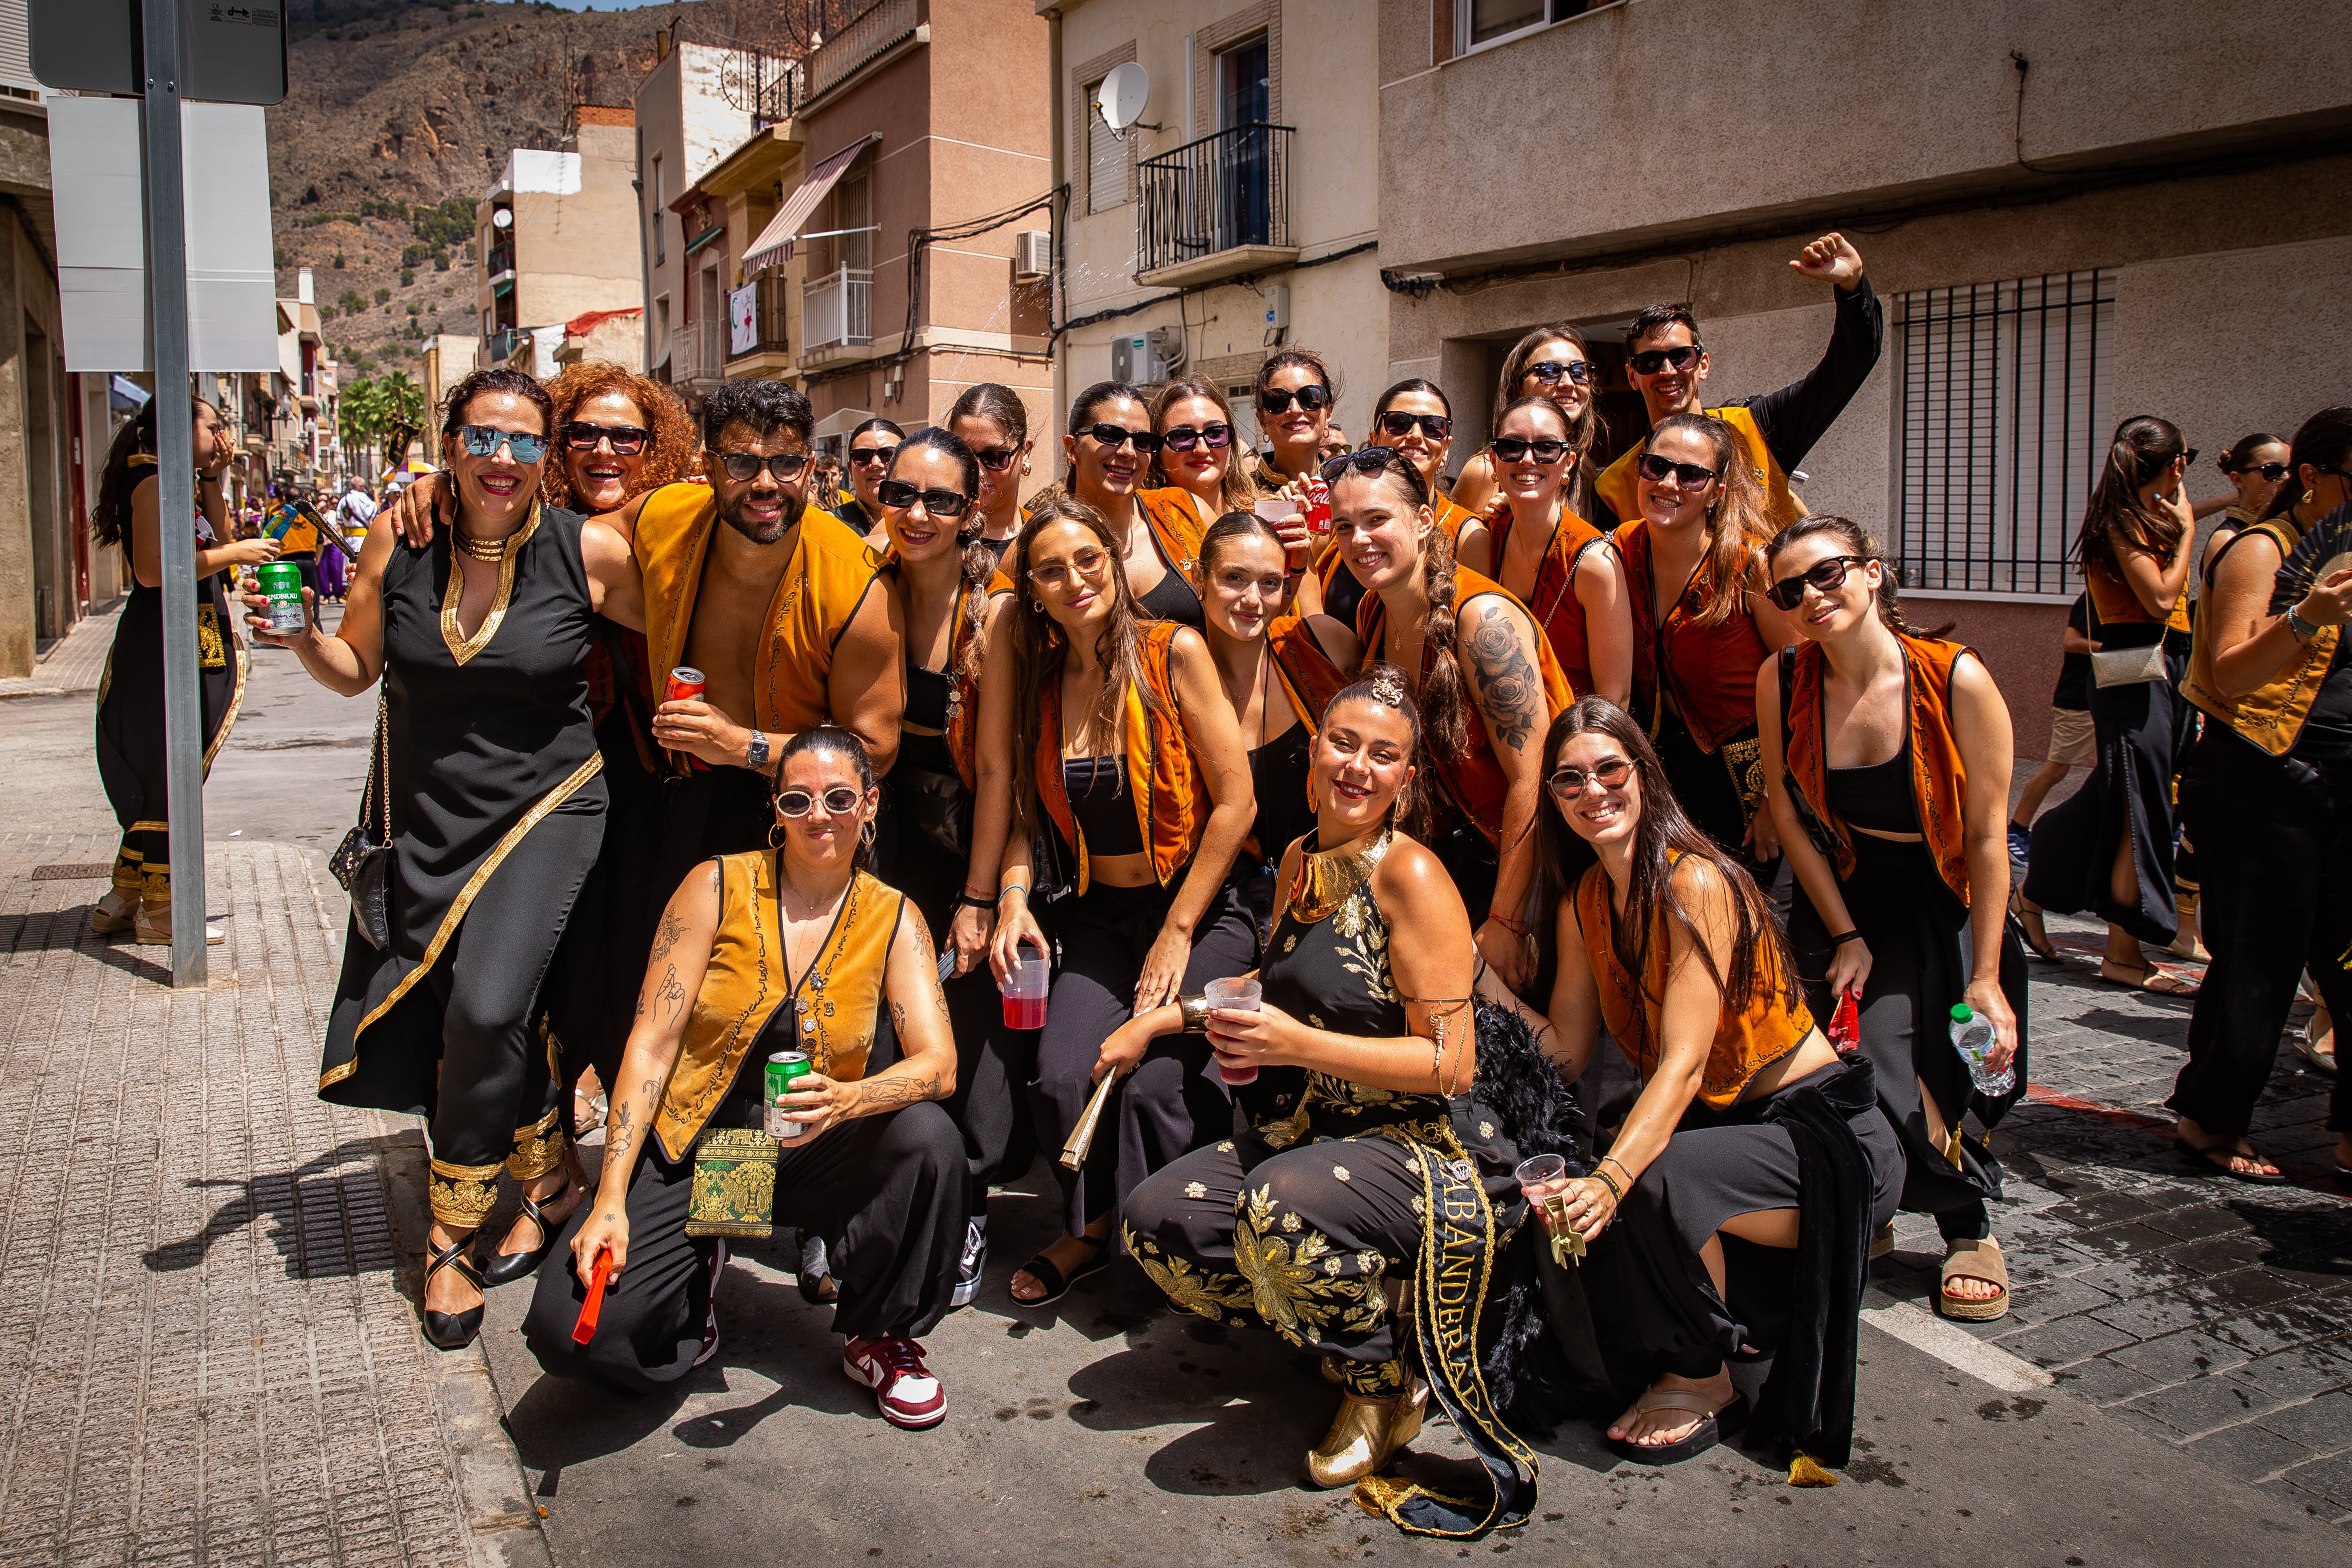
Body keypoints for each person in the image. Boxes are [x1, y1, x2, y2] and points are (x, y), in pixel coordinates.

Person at [251, 367, 647, 1350]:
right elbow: (355, 673)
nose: (502, 458)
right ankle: (550, 1177)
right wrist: (301, 637)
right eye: (483, 437)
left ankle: (451, 1226)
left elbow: (696, 627)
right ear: (451, 441)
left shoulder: (590, 550)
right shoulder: (401, 535)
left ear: (544, 454)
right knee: (465, 1006)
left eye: (523, 441)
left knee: (485, 1003)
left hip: (550, 809)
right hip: (427, 815)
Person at [1123, 671, 1561, 1533]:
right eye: (1343, 742)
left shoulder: (1413, 876)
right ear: (1313, 749)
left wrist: (1295, 1045)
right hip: (1323, 1132)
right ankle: (1363, 1313)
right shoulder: (1297, 858)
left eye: (1383, 754)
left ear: (1407, 777)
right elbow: (1275, 981)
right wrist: (1164, 1021)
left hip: (1431, 1148)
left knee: (1277, 1208)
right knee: (1157, 1219)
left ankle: (1382, 1386)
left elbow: (1451, 1062)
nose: (1357, 765)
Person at [522, 728, 967, 1425]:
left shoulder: (894, 916)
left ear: (871, 804)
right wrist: (610, 1193)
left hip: (808, 1153)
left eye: (840, 797)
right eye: (798, 799)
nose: (819, 815)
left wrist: (852, 1098)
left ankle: (879, 1333)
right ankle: (695, 1274)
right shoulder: (715, 885)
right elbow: (650, 1043)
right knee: (570, 1333)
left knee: (926, 1137)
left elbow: (939, 1066)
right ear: (777, 808)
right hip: (703, 1155)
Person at [1527, 698, 1901, 1470]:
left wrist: (1612, 1179)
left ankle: (1704, 1376)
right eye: (1569, 779)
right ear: (1552, 797)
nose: (1591, 790)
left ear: (1645, 775)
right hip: (1734, 1142)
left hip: (1826, 1142)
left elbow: (1685, 1063)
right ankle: (1701, 1335)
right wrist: (1471, 984)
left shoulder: (1695, 880)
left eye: (1609, 769)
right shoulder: (1585, 903)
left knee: (1646, 1174)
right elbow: (1566, 1049)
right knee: (1627, 1167)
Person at [985, 499, 1258, 1307]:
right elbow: (1024, 823)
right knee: (1064, 1070)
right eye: (1049, 568)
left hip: (1201, 908)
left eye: (1087, 559)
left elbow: (1235, 802)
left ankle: (1177, 1250)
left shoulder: (1171, 650)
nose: (1073, 579)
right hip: (1099, 912)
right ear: (1030, 588)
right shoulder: (1040, 683)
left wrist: (1177, 933)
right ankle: (1095, 1226)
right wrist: (1008, 899)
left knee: (1153, 1086)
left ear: (1113, 560)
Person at [1757, 516, 2027, 1321]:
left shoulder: (1955, 679)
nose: (1809, 595)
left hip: (1946, 889)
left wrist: (1984, 974)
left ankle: (1964, 1228)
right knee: (1854, 1055)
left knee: (1969, 1057)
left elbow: (1984, 836)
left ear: (1872, 573)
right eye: (1788, 587)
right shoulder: (1781, 678)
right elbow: (1787, 811)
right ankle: (1897, 1202)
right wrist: (1843, 933)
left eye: (1827, 572)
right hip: (1845, 885)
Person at [2169, 407, 2352, 1182]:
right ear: (2313, 479)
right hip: (2265, 777)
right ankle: (2210, 1118)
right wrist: (2308, 616)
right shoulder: (2259, 551)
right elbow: (2235, 671)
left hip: (2342, 775)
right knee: (2259, 960)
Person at [873, 429, 1024, 1307]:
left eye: (940, 499)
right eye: (902, 494)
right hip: (885, 840)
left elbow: (1000, 766)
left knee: (967, 1033)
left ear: (972, 511)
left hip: (973, 837)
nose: (918, 513)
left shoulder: (992, 612)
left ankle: (964, 1206)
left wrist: (977, 896)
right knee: (876, 1024)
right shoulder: (865, 584)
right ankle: (860, 1207)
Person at [1328, 447, 1572, 989]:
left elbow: (1532, 777)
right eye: (1343, 526)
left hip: (1516, 876)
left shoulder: (1480, 618)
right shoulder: (1373, 609)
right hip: (1440, 873)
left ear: (1422, 520)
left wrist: (1506, 920)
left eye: (1375, 519)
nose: (1358, 540)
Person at [89, 394, 275, 946]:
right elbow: (153, 572)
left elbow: (211, 540)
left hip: (189, 637)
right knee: (164, 768)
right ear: (176, 428)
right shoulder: (148, 482)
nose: (224, 435)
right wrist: (237, 553)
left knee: (175, 765)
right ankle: (162, 909)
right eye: (214, 426)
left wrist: (215, 479)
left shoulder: (178, 479)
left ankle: (125, 894)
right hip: (159, 646)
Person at [2020, 416, 2198, 993]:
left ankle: (2036, 882)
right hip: (2130, 668)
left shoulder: (2144, 516)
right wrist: (2190, 532)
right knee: (2136, 800)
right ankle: (2122, 951)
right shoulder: (2122, 523)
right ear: (2173, 465)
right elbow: (2161, 596)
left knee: (2115, 792)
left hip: (2157, 666)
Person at [1612, 413, 1803, 866]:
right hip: (1665, 771)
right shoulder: (1620, 548)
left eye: (1692, 474)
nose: (1669, 483)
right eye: (1656, 466)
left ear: (1718, 492)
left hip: (1753, 779)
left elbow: (1805, 685)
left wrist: (1778, 803)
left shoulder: (1751, 564)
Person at [1593, 234, 1882, 531]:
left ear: (1703, 365)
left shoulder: (1757, 429)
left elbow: (1845, 370)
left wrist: (1852, 288)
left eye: (1681, 356)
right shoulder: (1614, 487)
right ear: (1632, 375)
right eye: (1649, 362)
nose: (1667, 371)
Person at [1194, 512, 1349, 931]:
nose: (1253, 599)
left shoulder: (1321, 645)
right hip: (1224, 907)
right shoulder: (1170, 677)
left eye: (1269, 582)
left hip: (1328, 891)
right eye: (1234, 578)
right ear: (1199, 580)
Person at [1456, 395, 1633, 703]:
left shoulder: (1594, 564)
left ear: (1568, 464)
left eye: (1546, 448)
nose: (1527, 459)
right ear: (1495, 461)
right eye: (1512, 446)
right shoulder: (1486, 537)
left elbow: (1615, 700)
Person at [1310, 381, 1478, 633]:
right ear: (1374, 438)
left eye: (1433, 427)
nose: (1415, 435)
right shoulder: (1342, 521)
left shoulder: (1470, 535)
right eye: (1399, 423)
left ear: (1446, 447)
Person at [1059, 381, 1209, 628]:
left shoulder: (1185, 510)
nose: (1129, 452)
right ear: (1072, 448)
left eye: (1143, 441)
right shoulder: (1044, 543)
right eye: (1109, 435)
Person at [1449, 324, 1608, 523]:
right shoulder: (1485, 471)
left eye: (1579, 371)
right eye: (1549, 371)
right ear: (1517, 388)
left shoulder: (1586, 473)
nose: (1568, 383)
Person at [2003, 594, 2093, 886]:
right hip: (2079, 700)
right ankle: (2016, 831)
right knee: (2057, 769)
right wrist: (2116, 652)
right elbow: (2071, 641)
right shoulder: (2092, 599)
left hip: (2111, 698)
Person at [1148, 378, 1262, 532]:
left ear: (1232, 444)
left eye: (1215, 434)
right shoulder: (1141, 528)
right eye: (1182, 437)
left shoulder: (1264, 517)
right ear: (1157, 451)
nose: (1201, 449)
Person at [946, 381, 1037, 572]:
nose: (978, 472)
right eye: (964, 456)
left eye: (994, 457)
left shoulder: (1045, 539)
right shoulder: (929, 534)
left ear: (1026, 452)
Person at [1248, 349, 1338, 498]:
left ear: (1328, 414)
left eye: (1309, 398)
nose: (1294, 410)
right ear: (1262, 421)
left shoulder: (1347, 488)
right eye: (1277, 401)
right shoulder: (1238, 495)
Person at [836, 417, 906, 542]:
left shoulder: (928, 520)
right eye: (863, 456)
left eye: (889, 455)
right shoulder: (831, 525)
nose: (876, 463)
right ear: (850, 470)